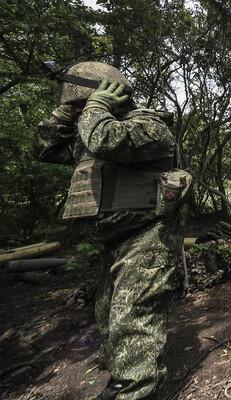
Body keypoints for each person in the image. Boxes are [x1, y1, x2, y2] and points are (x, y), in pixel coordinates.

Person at [32, 61, 189, 399]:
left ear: (108, 96)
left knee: (133, 316)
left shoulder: (150, 126)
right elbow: (44, 149)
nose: (82, 111)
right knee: (108, 315)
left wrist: (96, 106)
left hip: (147, 236)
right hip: (111, 240)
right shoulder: (88, 133)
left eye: (84, 104)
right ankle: (121, 378)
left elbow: (106, 140)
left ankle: (134, 390)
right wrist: (63, 113)